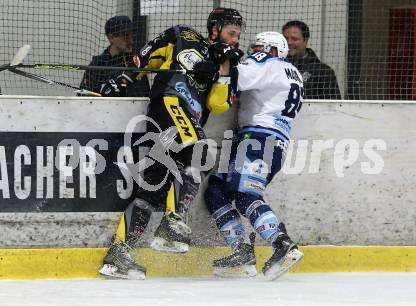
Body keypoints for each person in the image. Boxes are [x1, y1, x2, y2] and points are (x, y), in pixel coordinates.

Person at [97, 8, 244, 279]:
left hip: (182, 123)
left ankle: (118, 254)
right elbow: (145, 57)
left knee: (154, 186)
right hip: (169, 106)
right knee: (200, 153)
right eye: (230, 33)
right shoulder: (183, 35)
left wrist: (223, 68)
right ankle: (171, 225)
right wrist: (120, 81)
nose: (235, 39)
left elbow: (218, 104)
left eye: (238, 35)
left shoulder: (229, 63)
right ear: (215, 29)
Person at [204, 31, 304, 280]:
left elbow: (234, 77)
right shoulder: (294, 73)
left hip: (259, 139)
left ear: (271, 49)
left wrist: (222, 60)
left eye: (258, 47)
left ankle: (281, 244)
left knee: (245, 194)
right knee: (216, 191)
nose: (252, 52)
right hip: (269, 142)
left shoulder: (268, 62)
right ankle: (242, 251)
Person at [79, 15, 149, 96]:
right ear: (111, 38)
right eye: (126, 36)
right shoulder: (97, 65)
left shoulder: (137, 62)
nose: (131, 41)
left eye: (131, 35)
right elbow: (83, 96)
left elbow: (146, 96)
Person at [282, 20, 341, 100]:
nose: (289, 42)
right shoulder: (276, 67)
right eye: (285, 39)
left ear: (305, 40)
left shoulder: (323, 72)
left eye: (294, 39)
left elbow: (333, 106)